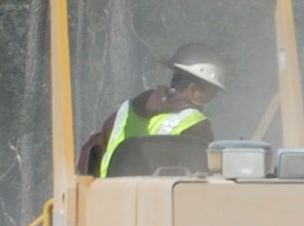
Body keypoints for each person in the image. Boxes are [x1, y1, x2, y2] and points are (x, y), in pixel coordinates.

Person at [97, 57, 226, 176]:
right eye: (209, 96)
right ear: (192, 89)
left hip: (110, 195)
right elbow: (204, 174)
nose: (208, 103)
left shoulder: (125, 111)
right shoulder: (196, 124)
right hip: (163, 198)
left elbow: (91, 158)